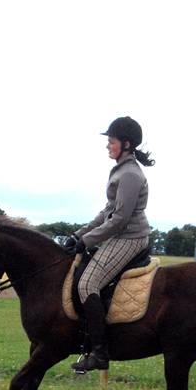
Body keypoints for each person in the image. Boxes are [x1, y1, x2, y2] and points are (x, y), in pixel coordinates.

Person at [64, 116, 154, 373]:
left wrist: (86, 241)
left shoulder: (130, 174)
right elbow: (107, 212)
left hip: (131, 238)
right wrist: (78, 234)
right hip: (119, 235)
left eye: (111, 141)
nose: (107, 146)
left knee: (87, 283)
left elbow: (120, 220)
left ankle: (99, 353)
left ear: (126, 144)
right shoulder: (120, 170)